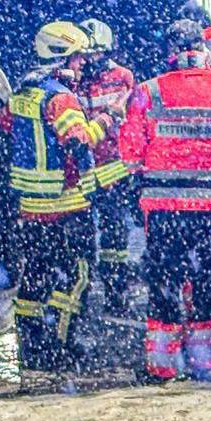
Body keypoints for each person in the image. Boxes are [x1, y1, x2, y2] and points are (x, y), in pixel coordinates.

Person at [119, 20, 211, 382]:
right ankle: (204, 361)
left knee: (164, 281)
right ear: (203, 49)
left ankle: (162, 366)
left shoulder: (148, 92)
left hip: (163, 210)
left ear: (170, 52)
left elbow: (130, 153)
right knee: (208, 280)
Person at [2, 20, 104, 372]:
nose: (81, 65)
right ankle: (61, 345)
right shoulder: (60, 99)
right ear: (61, 57)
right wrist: (104, 123)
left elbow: (7, 130)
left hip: (30, 207)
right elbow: (77, 140)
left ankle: (31, 348)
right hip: (67, 205)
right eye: (76, 58)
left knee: (34, 279)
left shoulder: (21, 94)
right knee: (76, 278)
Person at [77, 18, 139, 316]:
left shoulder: (123, 77)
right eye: (84, 54)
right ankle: (83, 293)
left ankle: (116, 292)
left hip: (113, 168)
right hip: (84, 170)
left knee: (115, 237)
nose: (89, 60)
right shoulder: (74, 79)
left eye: (94, 54)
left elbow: (128, 118)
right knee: (84, 238)